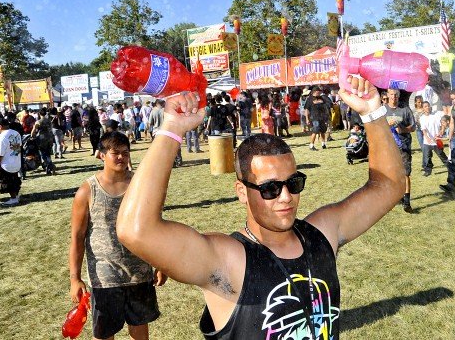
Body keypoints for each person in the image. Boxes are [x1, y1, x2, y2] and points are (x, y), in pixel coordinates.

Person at [116, 75, 405, 339]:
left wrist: (373, 113)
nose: (285, 197)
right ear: (242, 192)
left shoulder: (322, 233)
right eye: (269, 188)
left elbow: (390, 187)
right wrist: (172, 129)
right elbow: (135, 230)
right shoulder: (227, 260)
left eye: (294, 183)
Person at [69, 131, 167, 340]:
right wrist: (74, 278)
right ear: (102, 155)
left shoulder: (140, 185)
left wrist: (162, 263)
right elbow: (77, 237)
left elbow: (156, 226)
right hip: (105, 277)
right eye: (116, 153)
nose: (122, 157)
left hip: (139, 272)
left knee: (140, 331)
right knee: (104, 333)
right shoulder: (88, 190)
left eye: (126, 152)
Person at [384, 88, 416, 212]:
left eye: (396, 95)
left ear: (399, 96)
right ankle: (398, 196)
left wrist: (403, 130)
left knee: (405, 173)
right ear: (387, 95)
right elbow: (377, 127)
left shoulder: (405, 110)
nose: (393, 97)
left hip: (403, 145)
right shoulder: (383, 110)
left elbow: (413, 127)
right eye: (391, 94)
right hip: (388, 147)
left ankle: (407, 202)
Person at [0, 117, 23, 206]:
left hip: (6, 163)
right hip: (16, 160)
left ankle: (13, 198)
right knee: (15, 180)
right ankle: (16, 196)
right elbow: (19, 147)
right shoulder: (16, 133)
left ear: (0, 126)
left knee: (8, 182)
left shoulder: (1, 137)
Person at [419, 101, 448, 177]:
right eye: (425, 106)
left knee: (442, 156)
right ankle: (428, 171)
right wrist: (427, 138)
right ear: (423, 108)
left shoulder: (436, 115)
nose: (427, 107)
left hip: (437, 141)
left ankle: (452, 168)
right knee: (426, 157)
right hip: (427, 142)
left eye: (428, 106)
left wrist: (441, 131)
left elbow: (443, 124)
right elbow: (424, 130)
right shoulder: (422, 118)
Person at [304, 86, 330, 150]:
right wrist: (307, 119)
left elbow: (325, 107)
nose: (319, 93)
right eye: (318, 91)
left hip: (322, 117)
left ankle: (323, 144)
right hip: (314, 118)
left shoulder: (321, 98)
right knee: (315, 131)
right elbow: (306, 110)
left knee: (323, 131)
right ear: (315, 92)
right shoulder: (309, 99)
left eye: (320, 91)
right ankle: (311, 145)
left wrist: (327, 115)